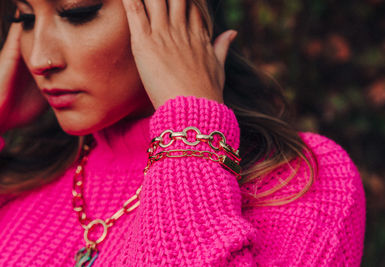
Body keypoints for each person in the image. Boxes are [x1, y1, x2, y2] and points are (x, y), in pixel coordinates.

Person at [0, 0, 366, 266]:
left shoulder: (299, 178)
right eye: (27, 18)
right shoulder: (19, 180)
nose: (40, 59)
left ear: (184, 13)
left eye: (78, 13)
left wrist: (190, 130)